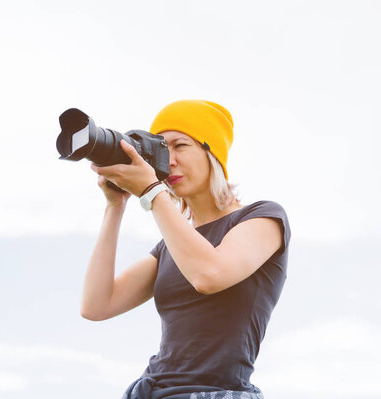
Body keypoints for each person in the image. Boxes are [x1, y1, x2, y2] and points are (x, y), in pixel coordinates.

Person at [81, 100, 291, 399]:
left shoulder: (263, 218)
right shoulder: (171, 247)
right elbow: (96, 305)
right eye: (163, 150)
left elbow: (208, 275)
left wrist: (152, 192)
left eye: (180, 145)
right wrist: (115, 206)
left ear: (212, 152)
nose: (171, 160)